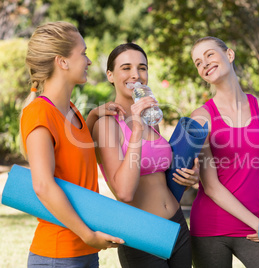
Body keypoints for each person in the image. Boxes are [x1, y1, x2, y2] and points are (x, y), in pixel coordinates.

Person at [20, 21, 125, 267]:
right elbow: (43, 186)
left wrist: (93, 117)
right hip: (58, 253)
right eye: (83, 53)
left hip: (83, 251)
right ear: (62, 61)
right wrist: (88, 235)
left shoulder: (72, 111)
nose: (88, 61)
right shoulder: (39, 113)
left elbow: (74, 155)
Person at [189, 36, 259, 268]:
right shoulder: (201, 117)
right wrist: (258, 223)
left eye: (209, 55)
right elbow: (210, 186)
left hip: (257, 224)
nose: (204, 63)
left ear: (229, 55)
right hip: (212, 227)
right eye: (198, 62)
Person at [89, 43, 199, 268]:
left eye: (142, 68)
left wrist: (189, 175)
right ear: (110, 75)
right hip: (141, 233)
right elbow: (124, 191)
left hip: (177, 225)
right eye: (126, 68)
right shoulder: (107, 124)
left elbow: (159, 177)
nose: (136, 75)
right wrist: (137, 128)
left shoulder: (151, 118)